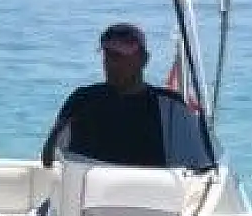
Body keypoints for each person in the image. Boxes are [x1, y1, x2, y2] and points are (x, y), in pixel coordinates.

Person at [40, 22, 207, 169]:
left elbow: (197, 164)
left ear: (144, 59)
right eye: (108, 55)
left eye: (119, 56)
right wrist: (58, 131)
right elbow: (49, 159)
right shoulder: (82, 100)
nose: (111, 64)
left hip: (151, 198)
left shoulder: (170, 106)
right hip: (88, 197)